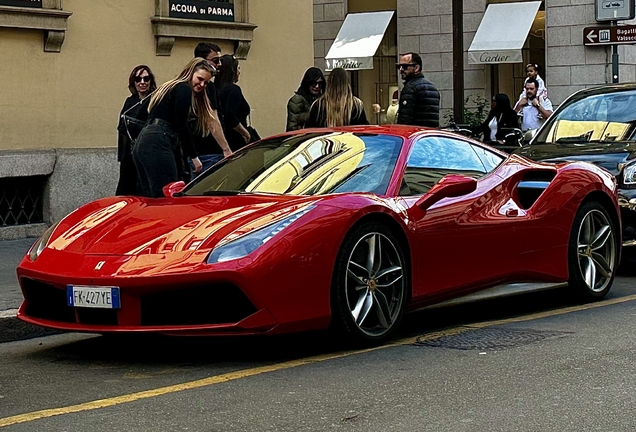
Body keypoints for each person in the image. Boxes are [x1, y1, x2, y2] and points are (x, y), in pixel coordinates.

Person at [132, 58, 216, 198]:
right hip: (160, 139)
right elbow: (181, 124)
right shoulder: (184, 88)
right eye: (200, 79)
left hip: (145, 139)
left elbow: (141, 113)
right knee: (168, 194)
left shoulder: (168, 87)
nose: (202, 85)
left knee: (152, 197)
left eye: (206, 82)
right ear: (190, 73)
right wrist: (194, 156)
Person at [190, 43, 232, 175]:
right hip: (208, 151)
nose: (219, 64)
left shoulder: (193, 86)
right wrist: (225, 148)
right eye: (215, 60)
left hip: (196, 152)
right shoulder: (207, 87)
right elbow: (212, 119)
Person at [116, 65, 157, 196]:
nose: (142, 82)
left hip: (147, 153)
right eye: (138, 79)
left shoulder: (155, 99)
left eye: (146, 78)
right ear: (133, 82)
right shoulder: (130, 101)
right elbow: (121, 128)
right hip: (129, 154)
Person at [215, 54, 252, 151]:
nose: (239, 72)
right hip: (235, 141)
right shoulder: (234, 90)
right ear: (232, 70)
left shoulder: (213, 89)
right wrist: (245, 133)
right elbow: (230, 116)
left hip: (217, 141)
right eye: (238, 68)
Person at [396, 52, 440, 127]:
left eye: (404, 66)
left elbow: (405, 120)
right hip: (429, 134)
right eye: (399, 66)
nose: (401, 70)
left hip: (414, 134)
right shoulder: (433, 88)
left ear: (416, 68)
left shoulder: (410, 88)